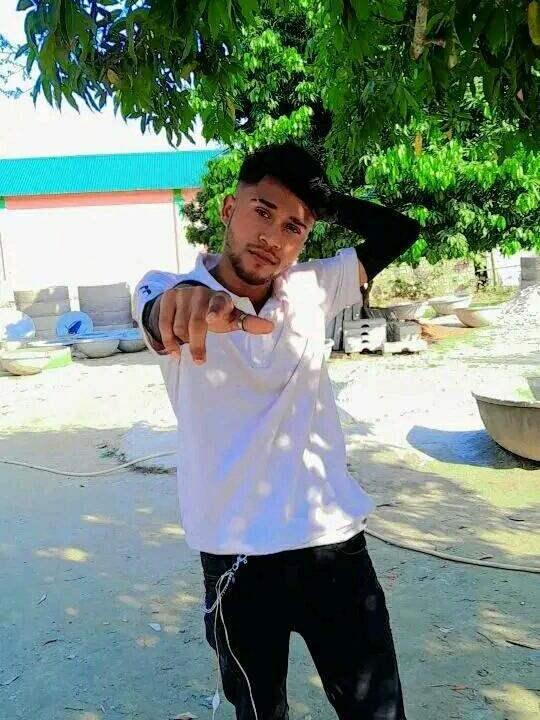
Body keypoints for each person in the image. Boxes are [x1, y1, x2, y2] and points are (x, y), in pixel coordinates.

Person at [134, 143, 420, 720]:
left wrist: (326, 202)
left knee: (379, 712)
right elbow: (159, 314)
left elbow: (400, 232)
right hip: (235, 555)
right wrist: (185, 306)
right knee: (261, 714)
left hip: (332, 543)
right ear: (228, 208)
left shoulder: (314, 287)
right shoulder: (170, 287)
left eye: (294, 227)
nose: (273, 237)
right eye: (262, 211)